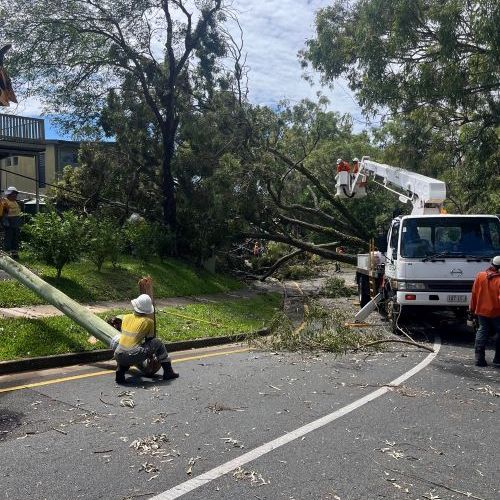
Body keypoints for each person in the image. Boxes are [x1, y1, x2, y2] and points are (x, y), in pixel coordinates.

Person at [113, 294, 179, 383]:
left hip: (118, 355)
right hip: (133, 355)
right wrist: (151, 358)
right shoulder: (149, 322)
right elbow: (150, 340)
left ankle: (120, 372)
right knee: (158, 342)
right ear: (147, 310)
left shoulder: (125, 317)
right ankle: (168, 372)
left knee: (125, 349)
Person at [469, 256, 500, 367]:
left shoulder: (480, 276)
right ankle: (498, 358)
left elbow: (474, 294)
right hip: (497, 312)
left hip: (481, 311)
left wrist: (471, 309)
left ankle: (479, 359)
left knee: (482, 331)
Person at [0, 186, 23, 259]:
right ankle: (6, 255)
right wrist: (4, 221)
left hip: (16, 222)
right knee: (8, 238)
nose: (15, 195)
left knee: (15, 238)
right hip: (8, 222)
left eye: (16, 194)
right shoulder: (4, 201)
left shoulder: (16, 202)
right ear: (9, 194)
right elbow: (2, 213)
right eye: (14, 194)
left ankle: (15, 254)